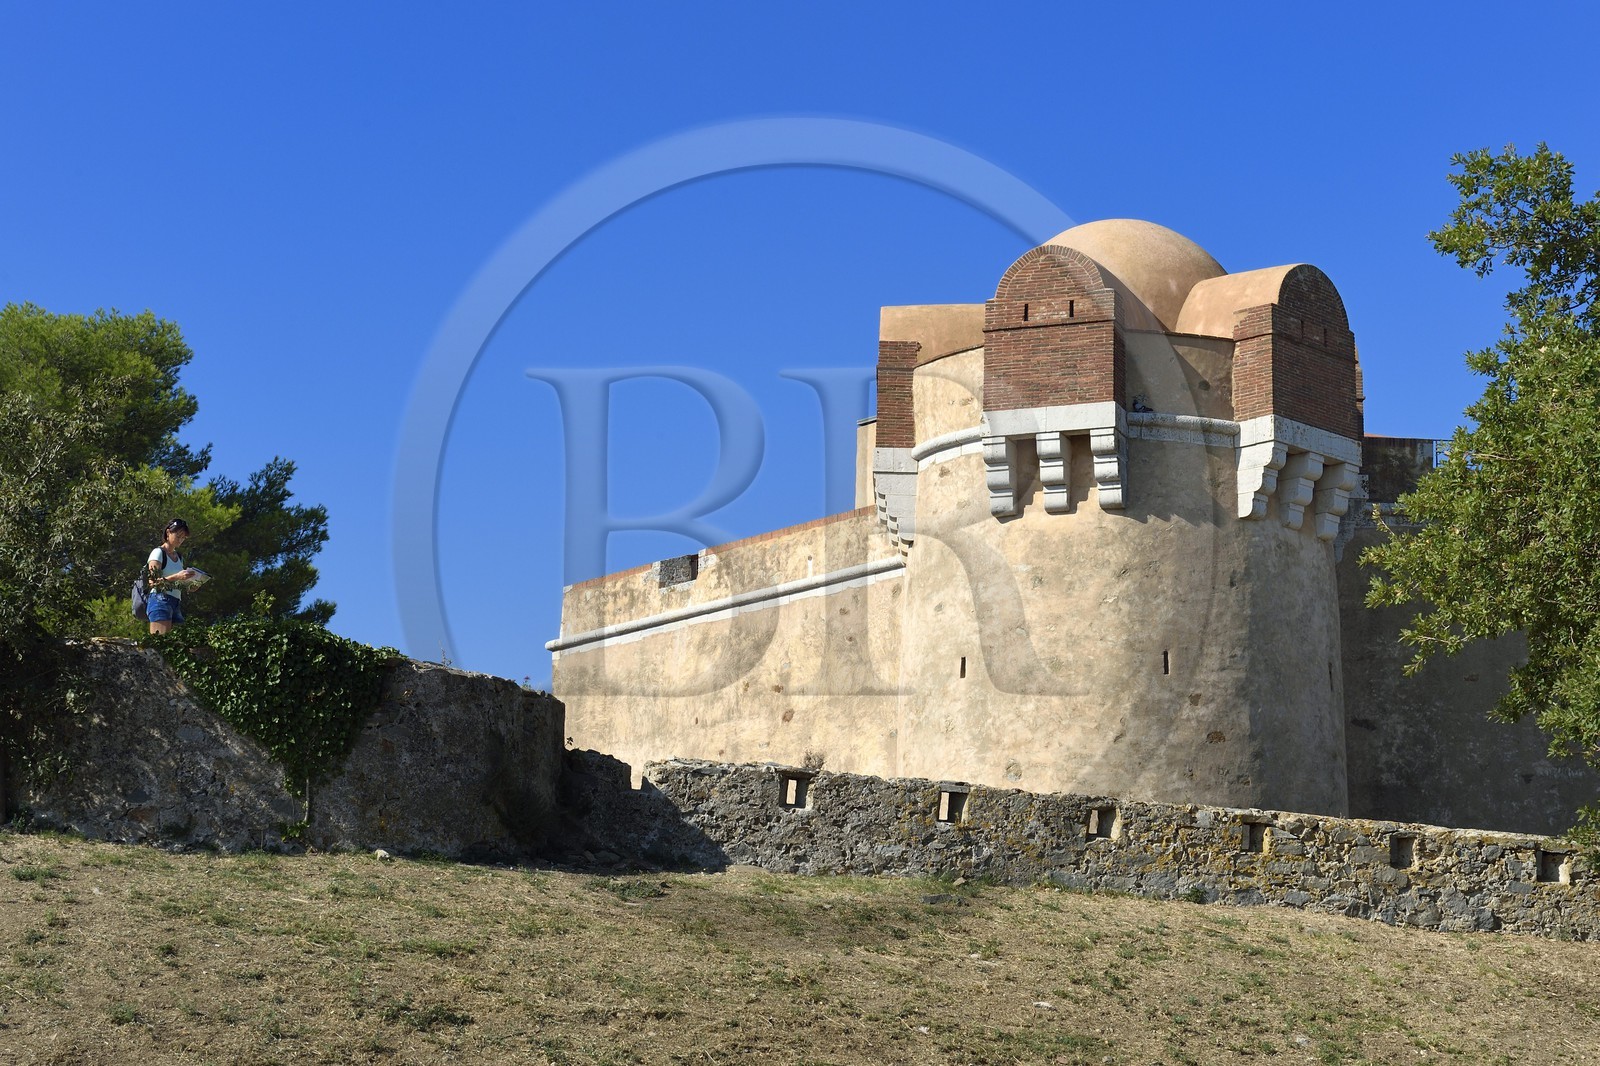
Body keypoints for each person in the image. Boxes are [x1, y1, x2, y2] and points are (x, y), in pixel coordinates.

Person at [147, 519, 199, 634]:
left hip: (176, 602)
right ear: (168, 532)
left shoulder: (179, 557)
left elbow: (176, 582)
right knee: (160, 642)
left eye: (183, 538)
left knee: (176, 645)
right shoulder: (158, 553)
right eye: (178, 535)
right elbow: (152, 583)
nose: (180, 540)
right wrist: (177, 576)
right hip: (160, 599)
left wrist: (189, 586)